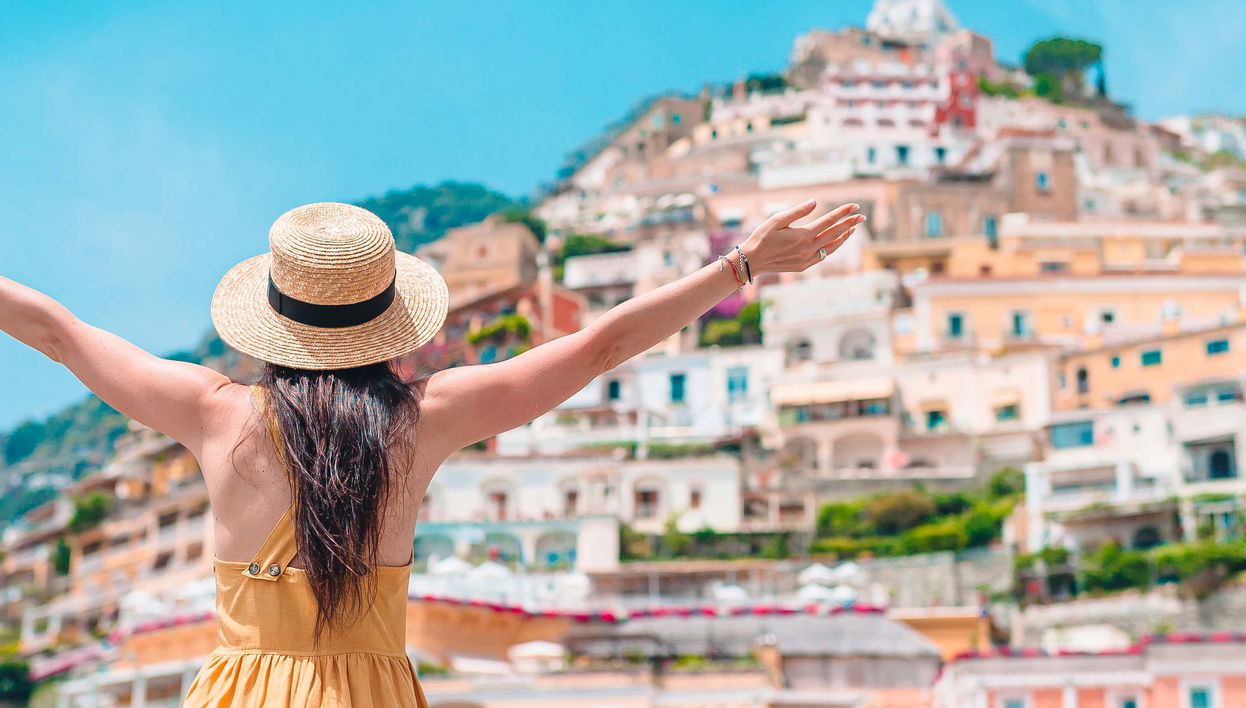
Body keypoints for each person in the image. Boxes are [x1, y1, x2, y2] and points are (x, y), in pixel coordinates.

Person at [0, 199, 862, 706]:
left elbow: (56, 331)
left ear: (272, 319)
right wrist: (739, 266)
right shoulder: (425, 418)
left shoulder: (211, 411)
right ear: (388, 321)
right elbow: (601, 345)